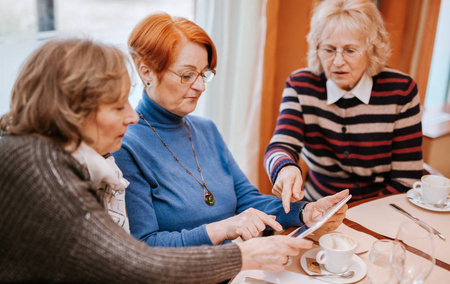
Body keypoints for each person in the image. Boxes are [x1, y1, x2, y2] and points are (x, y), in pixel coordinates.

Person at [0, 38, 313, 283]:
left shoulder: (49, 154)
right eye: (116, 105)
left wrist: (304, 212)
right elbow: (134, 263)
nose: (132, 115)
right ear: (71, 109)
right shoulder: (41, 168)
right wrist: (241, 255)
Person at [113, 12, 348, 248]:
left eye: (204, 73)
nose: (201, 86)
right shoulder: (125, 146)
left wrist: (305, 212)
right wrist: (224, 228)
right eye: (187, 75)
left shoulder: (207, 130)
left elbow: (247, 200)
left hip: (236, 267)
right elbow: (144, 247)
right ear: (147, 73)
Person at [264, 0, 423, 212]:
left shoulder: (401, 90)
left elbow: (406, 178)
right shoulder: (301, 85)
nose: (338, 62)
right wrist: (285, 168)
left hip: (380, 208)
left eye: (350, 50)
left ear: (372, 50)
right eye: (329, 50)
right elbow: (281, 145)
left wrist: (358, 215)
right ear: (317, 48)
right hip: (316, 206)